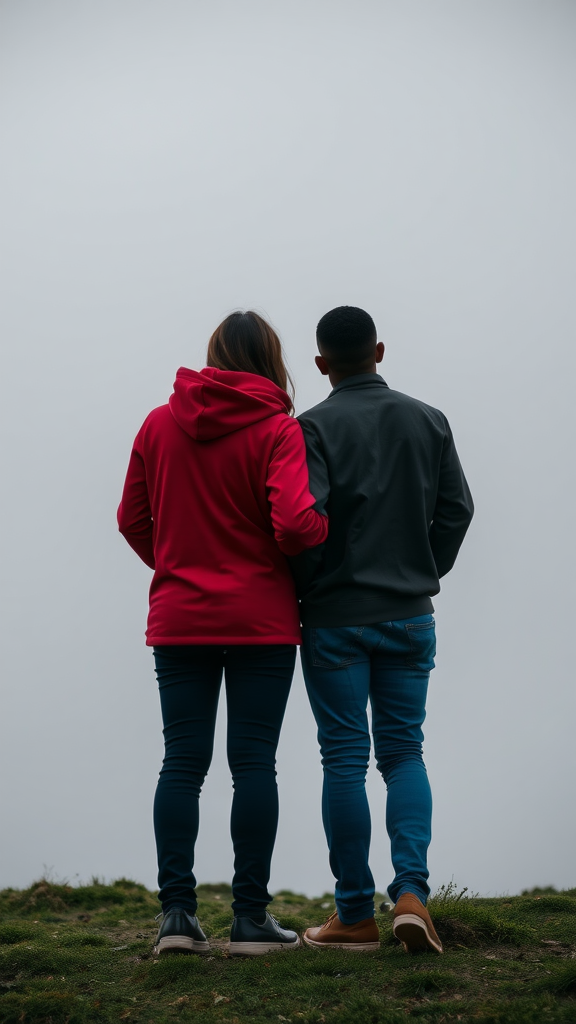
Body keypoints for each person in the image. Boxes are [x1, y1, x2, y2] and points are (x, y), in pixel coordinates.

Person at [117, 311, 328, 956]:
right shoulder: (277, 428)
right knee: (252, 763)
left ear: (213, 356)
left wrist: (179, 563)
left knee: (182, 762)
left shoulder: (158, 423)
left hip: (180, 619)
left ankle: (176, 918)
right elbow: (295, 525)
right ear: (270, 359)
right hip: (262, 619)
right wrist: (318, 536)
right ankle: (249, 919)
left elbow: (131, 519)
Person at [292, 306, 474, 954]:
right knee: (403, 754)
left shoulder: (310, 426)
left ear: (321, 364)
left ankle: (352, 915)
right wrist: (425, 569)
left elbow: (304, 520)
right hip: (409, 614)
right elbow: (457, 511)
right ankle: (411, 897)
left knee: (343, 759)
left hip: (336, 619)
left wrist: (310, 586)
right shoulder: (429, 419)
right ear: (380, 350)